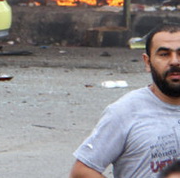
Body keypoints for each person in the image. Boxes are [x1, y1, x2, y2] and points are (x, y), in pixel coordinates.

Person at [70, 24, 180, 177]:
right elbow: (82, 172)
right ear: (147, 62)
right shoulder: (125, 111)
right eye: (164, 54)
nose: (174, 62)